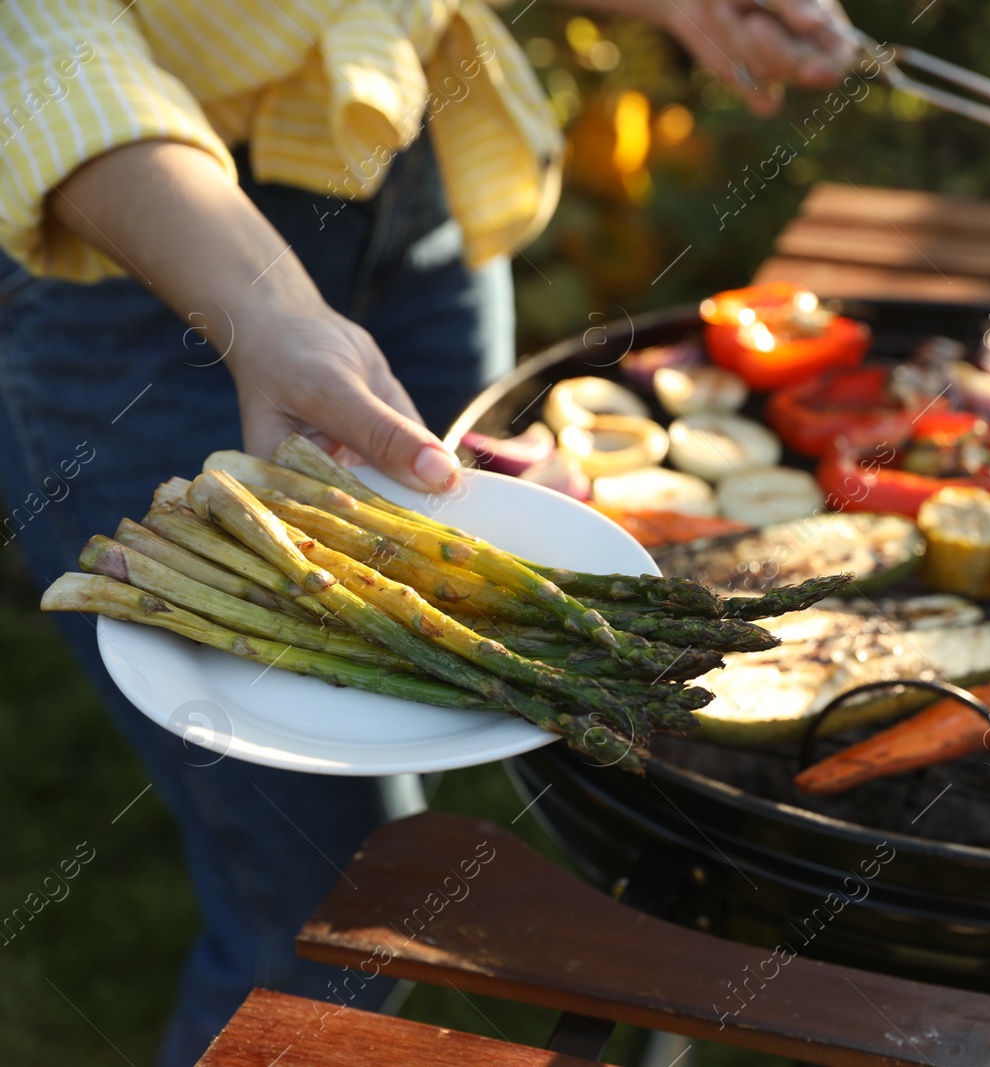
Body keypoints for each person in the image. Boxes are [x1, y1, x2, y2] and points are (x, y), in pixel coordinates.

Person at [0, 2, 856, 1062]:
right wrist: (266, 308)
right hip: (151, 234)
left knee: (484, 701)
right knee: (328, 898)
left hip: (410, 150)